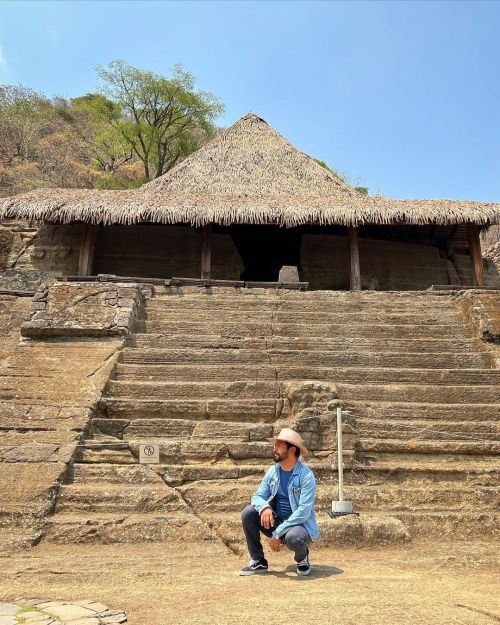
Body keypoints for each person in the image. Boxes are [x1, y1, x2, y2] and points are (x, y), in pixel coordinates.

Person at [240, 428, 319, 577]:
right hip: (277, 522)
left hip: (299, 526)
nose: (274, 449)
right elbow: (257, 496)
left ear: (292, 450)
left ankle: (302, 558)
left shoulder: (306, 475)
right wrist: (264, 508)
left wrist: (277, 533)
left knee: (293, 538)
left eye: (279, 446)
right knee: (248, 513)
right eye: (275, 445)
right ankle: (258, 560)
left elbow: (303, 512)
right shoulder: (273, 471)